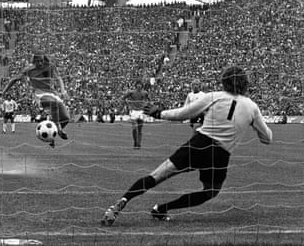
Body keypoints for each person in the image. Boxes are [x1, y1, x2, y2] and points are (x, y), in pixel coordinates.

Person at [101, 67, 272, 226]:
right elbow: (267, 138)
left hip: (198, 144)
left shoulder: (214, 96)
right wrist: (251, 123)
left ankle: (122, 201)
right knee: (210, 192)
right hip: (220, 154)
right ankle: (161, 209)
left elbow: (184, 113)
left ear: (224, 81)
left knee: (156, 176)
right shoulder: (252, 106)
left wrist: (159, 113)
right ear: (246, 83)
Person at [2, 52, 70, 147]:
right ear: (34, 61)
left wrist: (63, 91)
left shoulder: (50, 66)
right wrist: (4, 91)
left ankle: (52, 136)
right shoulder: (29, 69)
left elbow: (59, 78)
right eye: (38, 61)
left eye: (41, 61)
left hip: (53, 93)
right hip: (40, 94)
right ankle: (59, 129)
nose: (40, 63)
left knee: (66, 118)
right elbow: (14, 79)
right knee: (53, 103)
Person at [123, 80, 149, 149]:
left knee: (140, 129)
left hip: (141, 111)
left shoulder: (145, 93)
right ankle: (135, 142)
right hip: (134, 111)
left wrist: (145, 105)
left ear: (142, 85)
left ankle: (139, 144)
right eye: (138, 84)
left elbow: (147, 99)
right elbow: (123, 98)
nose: (139, 85)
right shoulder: (131, 92)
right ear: (136, 85)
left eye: (140, 84)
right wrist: (128, 105)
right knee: (134, 128)